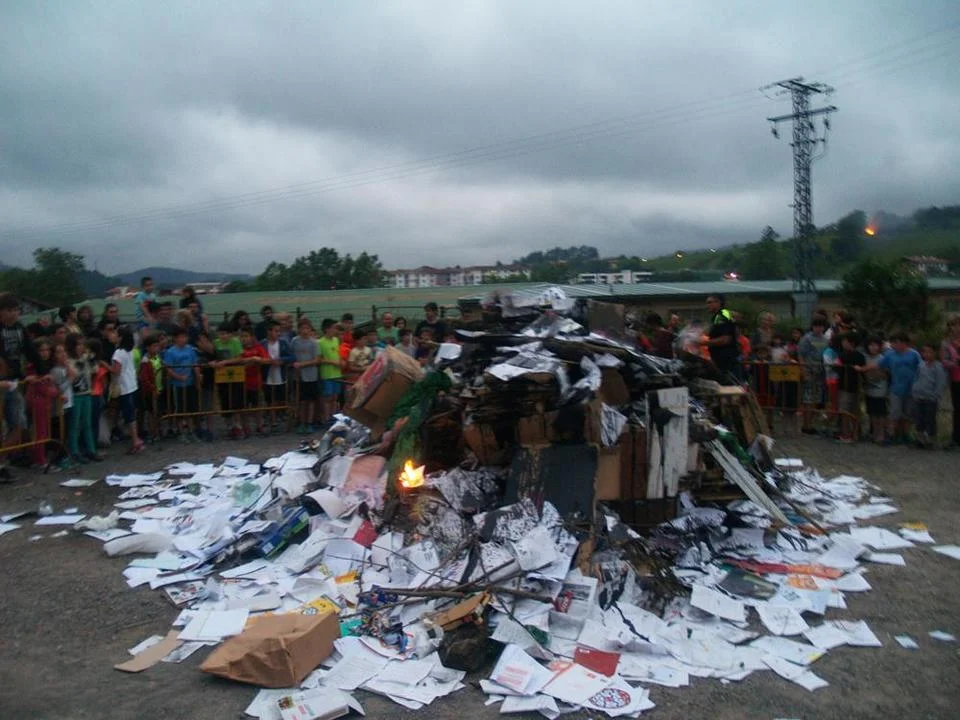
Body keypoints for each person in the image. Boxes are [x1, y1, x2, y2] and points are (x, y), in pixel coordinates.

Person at [0, 292, 39, 461]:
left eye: (16, 310)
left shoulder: (19, 328)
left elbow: (30, 351)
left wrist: (42, 371)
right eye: (10, 310)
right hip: (2, 380)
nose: (14, 314)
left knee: (19, 423)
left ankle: (3, 460)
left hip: (14, 380)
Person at [879, 331, 922, 445]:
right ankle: (891, 435)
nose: (893, 345)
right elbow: (881, 365)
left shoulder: (914, 354)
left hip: (911, 388)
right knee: (895, 413)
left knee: (908, 414)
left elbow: (921, 368)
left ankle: (906, 434)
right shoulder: (890, 354)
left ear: (903, 343)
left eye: (896, 342)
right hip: (896, 388)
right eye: (892, 342)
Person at [23, 338, 59, 470]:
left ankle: (40, 458)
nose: (45, 353)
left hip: (44, 401)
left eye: (47, 350)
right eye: (41, 350)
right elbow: (41, 387)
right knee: (40, 432)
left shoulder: (45, 366)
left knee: (43, 432)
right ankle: (40, 460)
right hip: (37, 401)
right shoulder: (33, 367)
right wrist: (55, 392)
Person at [65, 334, 101, 463]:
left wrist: (91, 359)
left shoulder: (86, 358)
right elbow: (74, 376)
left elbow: (95, 370)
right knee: (75, 424)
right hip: (75, 395)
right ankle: (75, 451)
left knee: (87, 423)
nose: (81, 347)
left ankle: (91, 450)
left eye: (82, 344)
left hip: (87, 392)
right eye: (78, 344)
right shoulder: (69, 361)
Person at [163, 328, 202, 442]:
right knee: (180, 408)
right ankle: (181, 432)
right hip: (178, 384)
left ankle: (191, 430)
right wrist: (178, 377)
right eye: (181, 337)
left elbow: (195, 364)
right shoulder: (170, 352)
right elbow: (168, 368)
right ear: (175, 338)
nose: (183, 339)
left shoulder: (190, 349)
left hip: (190, 383)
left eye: (185, 337)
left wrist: (198, 378)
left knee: (191, 408)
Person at [112, 328, 144, 454]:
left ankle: (135, 440)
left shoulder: (118, 353)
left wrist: (104, 365)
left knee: (129, 416)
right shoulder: (130, 351)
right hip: (132, 384)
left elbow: (116, 371)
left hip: (124, 386)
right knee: (131, 414)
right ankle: (135, 438)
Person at [912, 343, 948, 449]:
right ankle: (920, 439)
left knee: (930, 419)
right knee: (919, 418)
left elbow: (940, 383)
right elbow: (917, 378)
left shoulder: (938, 367)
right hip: (919, 396)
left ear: (935, 353)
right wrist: (914, 391)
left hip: (931, 398)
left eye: (930, 352)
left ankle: (931, 440)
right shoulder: (921, 365)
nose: (927, 354)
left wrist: (935, 395)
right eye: (925, 352)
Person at [212, 322, 244, 439]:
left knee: (236, 401)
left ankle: (238, 426)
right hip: (222, 376)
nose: (224, 336)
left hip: (235, 375)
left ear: (230, 334)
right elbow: (213, 357)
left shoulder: (235, 342)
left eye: (226, 334)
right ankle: (229, 426)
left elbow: (240, 357)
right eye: (221, 334)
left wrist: (226, 362)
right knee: (225, 400)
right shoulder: (216, 343)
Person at [798, 316, 829, 434]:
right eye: (816, 326)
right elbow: (801, 355)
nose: (818, 328)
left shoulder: (825, 339)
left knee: (816, 399)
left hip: (820, 372)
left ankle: (811, 424)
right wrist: (803, 370)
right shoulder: (807, 338)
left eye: (821, 326)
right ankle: (806, 425)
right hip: (809, 371)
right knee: (808, 399)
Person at [261, 320, 294, 432]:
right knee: (270, 400)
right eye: (276, 331)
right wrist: (266, 361)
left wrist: (281, 360)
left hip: (280, 375)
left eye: (279, 331)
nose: (278, 333)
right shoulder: (262, 344)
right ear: (269, 331)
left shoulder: (283, 343)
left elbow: (292, 356)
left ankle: (280, 416)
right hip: (267, 376)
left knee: (281, 398)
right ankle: (273, 421)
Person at [238, 327, 271, 437]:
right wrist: (250, 360)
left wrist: (257, 359)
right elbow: (236, 361)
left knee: (257, 406)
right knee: (243, 407)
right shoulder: (238, 348)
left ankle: (259, 426)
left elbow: (267, 360)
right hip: (241, 383)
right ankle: (245, 427)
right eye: (241, 336)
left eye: (246, 336)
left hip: (256, 382)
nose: (244, 339)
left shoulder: (258, 348)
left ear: (252, 337)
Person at [700, 294, 739, 383]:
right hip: (721, 360)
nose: (707, 305)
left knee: (730, 387)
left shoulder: (722, 316)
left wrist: (703, 342)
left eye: (710, 302)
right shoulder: (719, 316)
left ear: (718, 303)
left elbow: (725, 339)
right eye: (707, 303)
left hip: (726, 361)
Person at [50, 342, 77, 470]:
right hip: (60, 406)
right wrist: (70, 378)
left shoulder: (65, 368)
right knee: (60, 433)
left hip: (69, 402)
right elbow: (59, 389)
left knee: (68, 431)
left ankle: (67, 455)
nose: (63, 354)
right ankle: (59, 458)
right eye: (59, 352)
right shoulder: (55, 371)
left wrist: (69, 369)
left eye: (64, 351)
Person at [859, 336, 889, 445]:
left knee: (881, 413)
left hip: (881, 390)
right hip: (869, 389)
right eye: (871, 345)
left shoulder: (882, 358)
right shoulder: (864, 357)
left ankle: (881, 434)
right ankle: (874, 433)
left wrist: (871, 371)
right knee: (872, 413)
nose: (873, 347)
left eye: (876, 345)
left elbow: (885, 373)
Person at [291, 318, 319, 434]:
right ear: (299, 329)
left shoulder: (314, 342)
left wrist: (302, 364)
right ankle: (301, 422)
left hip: (311, 375)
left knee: (311, 400)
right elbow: (291, 355)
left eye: (307, 328)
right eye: (302, 328)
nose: (305, 331)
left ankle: (309, 422)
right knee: (301, 400)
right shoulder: (295, 341)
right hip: (298, 375)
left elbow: (316, 360)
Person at [836, 333, 865, 443]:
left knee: (849, 411)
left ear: (851, 343)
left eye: (845, 341)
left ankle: (850, 433)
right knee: (849, 410)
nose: (843, 343)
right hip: (847, 385)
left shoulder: (855, 356)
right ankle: (850, 432)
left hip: (850, 386)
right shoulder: (844, 355)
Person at [136, 334, 164, 443]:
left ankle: (158, 431)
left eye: (157, 346)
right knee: (152, 413)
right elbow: (144, 378)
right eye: (154, 346)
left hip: (159, 388)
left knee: (158, 412)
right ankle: (153, 432)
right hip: (150, 391)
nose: (156, 348)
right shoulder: (145, 361)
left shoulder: (157, 357)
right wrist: (152, 388)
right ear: (148, 347)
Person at [317, 318, 343, 425]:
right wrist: (331, 362)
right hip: (327, 374)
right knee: (327, 397)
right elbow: (319, 359)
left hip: (337, 373)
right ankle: (326, 418)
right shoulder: (320, 342)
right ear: (327, 329)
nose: (336, 330)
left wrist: (340, 361)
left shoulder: (336, 340)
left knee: (335, 397)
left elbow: (338, 354)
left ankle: (333, 417)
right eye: (334, 328)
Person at [941, 317, 960, 449]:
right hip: (955, 379)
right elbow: (944, 361)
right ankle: (956, 438)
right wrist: (954, 363)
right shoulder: (946, 343)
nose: (957, 328)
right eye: (954, 325)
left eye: (958, 325)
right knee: (957, 409)